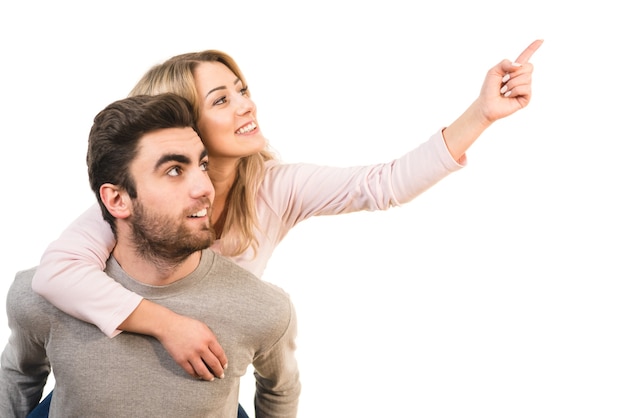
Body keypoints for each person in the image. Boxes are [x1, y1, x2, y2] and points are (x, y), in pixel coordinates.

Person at [31, 40, 542, 380]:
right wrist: (168, 324)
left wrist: (482, 114)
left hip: (202, 385)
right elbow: (55, 274)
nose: (246, 106)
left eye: (243, 90)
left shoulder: (274, 188)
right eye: (222, 100)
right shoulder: (138, 201)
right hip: (113, 377)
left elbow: (383, 184)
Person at [0, 93, 300, 417]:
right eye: (174, 171)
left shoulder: (262, 309)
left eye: (203, 165)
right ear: (117, 200)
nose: (205, 188)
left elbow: (280, 390)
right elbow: (19, 376)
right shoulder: (39, 298)